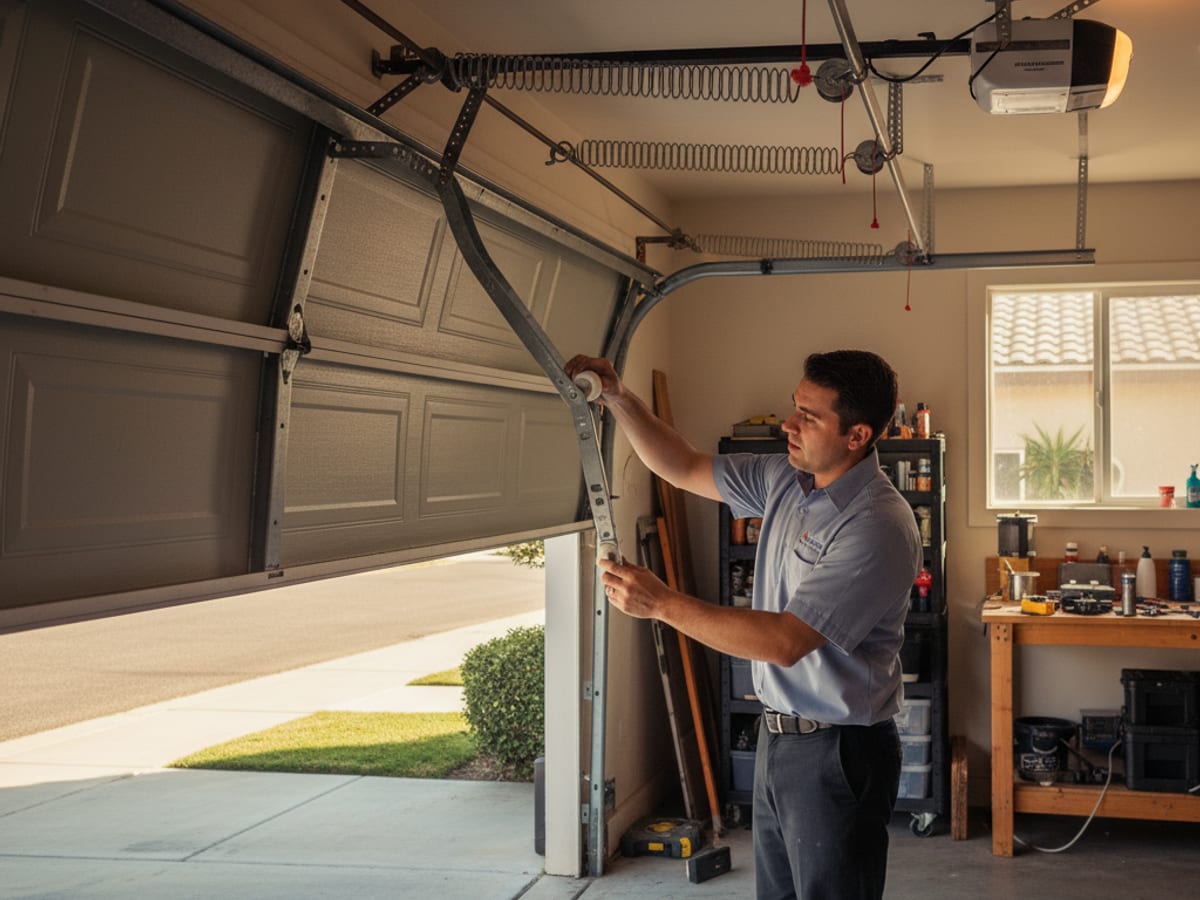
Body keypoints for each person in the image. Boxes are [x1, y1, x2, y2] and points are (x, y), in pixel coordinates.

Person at [564, 349, 922, 900]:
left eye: (810, 416)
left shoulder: (877, 525)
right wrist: (617, 396)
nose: (789, 424)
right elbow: (682, 466)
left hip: (839, 753)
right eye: (795, 406)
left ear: (857, 436)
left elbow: (785, 641)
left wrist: (662, 603)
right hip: (778, 739)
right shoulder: (786, 479)